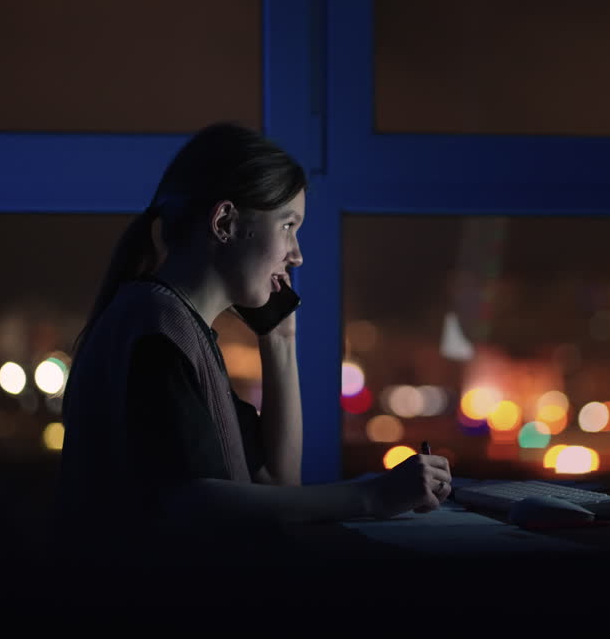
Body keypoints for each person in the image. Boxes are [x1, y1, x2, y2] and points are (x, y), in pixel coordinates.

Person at [55, 122, 452, 574]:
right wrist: (373, 496)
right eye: (288, 226)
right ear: (225, 222)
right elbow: (192, 504)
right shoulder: (158, 329)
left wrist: (279, 340)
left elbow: (280, 483)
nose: (297, 254)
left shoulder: (176, 325)